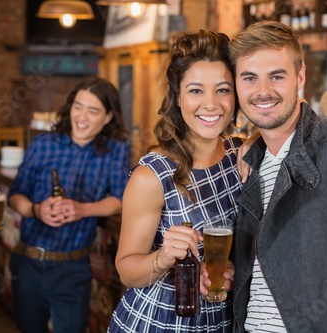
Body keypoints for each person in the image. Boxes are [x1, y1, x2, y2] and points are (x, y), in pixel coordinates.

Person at [229, 21, 327, 332]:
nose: (262, 91)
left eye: (277, 76)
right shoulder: (246, 162)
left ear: (300, 77)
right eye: (249, 78)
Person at [108, 29, 241, 332]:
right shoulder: (152, 175)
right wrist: (165, 256)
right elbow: (126, 270)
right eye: (196, 90)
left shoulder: (241, 155)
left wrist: (229, 269)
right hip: (160, 322)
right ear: (178, 97)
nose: (211, 104)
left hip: (222, 320)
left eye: (222, 89)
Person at [7, 77, 131, 333]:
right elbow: (16, 195)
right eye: (78, 106)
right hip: (28, 262)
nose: (82, 116)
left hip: (73, 268)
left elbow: (120, 200)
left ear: (108, 117)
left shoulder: (116, 151)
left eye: (93, 110)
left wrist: (82, 209)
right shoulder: (44, 144)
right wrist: (36, 210)